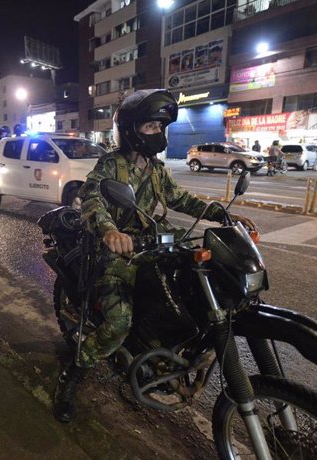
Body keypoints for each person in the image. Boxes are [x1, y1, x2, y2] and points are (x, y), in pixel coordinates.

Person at [52, 89, 257, 423]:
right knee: (119, 323)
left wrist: (221, 214)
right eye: (151, 127)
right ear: (132, 130)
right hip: (115, 254)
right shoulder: (111, 164)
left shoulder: (156, 169)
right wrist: (109, 232)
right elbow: (91, 198)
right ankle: (72, 375)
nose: (158, 134)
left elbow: (180, 199)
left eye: (162, 127)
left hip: (153, 245)